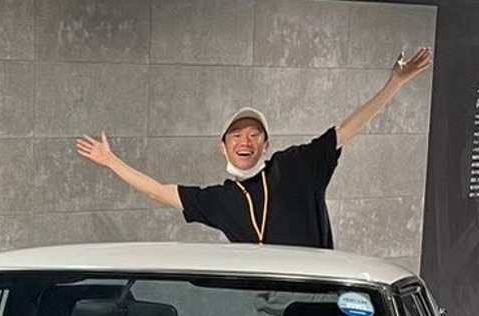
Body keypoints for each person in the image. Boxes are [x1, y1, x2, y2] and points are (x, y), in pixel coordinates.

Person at [76, 49, 434, 248]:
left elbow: (350, 128)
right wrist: (110, 161)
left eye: (253, 135)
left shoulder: (295, 167)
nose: (244, 141)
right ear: (223, 147)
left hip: (318, 297)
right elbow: (158, 191)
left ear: (266, 145)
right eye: (235, 135)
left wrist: (395, 83)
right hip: (262, 309)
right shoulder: (220, 199)